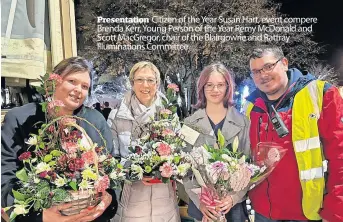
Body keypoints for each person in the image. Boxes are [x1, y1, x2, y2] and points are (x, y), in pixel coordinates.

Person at [1, 57, 118, 222]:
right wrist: (40, 217)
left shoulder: (95, 121)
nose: (79, 90)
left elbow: (109, 171)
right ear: (55, 81)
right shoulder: (21, 119)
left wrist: (109, 199)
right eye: (72, 81)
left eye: (85, 86)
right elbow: (4, 179)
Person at [243, 46, 343, 222]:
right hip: (263, 212)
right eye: (256, 71)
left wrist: (335, 213)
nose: (263, 75)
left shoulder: (320, 94)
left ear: (284, 63)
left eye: (268, 66)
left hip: (308, 213)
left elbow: (340, 156)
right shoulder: (251, 106)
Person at [107, 61, 180, 221]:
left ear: (157, 84)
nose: (145, 85)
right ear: (132, 83)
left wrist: (168, 167)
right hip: (131, 203)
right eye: (139, 80)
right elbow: (111, 160)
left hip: (164, 203)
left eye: (150, 80)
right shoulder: (117, 116)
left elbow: (178, 153)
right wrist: (134, 172)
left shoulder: (169, 115)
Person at [183, 63, 251, 222]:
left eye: (220, 85)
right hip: (202, 211)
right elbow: (184, 170)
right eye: (209, 85)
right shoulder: (189, 124)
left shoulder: (244, 123)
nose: (215, 90)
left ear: (228, 87)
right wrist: (201, 202)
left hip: (233, 210)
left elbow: (249, 168)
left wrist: (234, 198)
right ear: (202, 87)